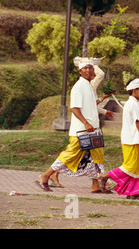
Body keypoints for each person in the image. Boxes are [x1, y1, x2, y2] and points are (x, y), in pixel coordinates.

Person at [37, 58, 111, 193]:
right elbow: (74, 108)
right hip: (82, 130)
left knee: (97, 155)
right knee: (71, 154)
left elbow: (90, 104)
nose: (88, 70)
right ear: (80, 71)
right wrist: (86, 123)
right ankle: (46, 175)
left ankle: (96, 185)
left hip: (92, 129)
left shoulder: (88, 85)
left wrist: (103, 99)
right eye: (85, 68)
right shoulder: (79, 86)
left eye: (90, 68)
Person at [98, 78, 139, 200]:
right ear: (134, 90)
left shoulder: (131, 103)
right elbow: (138, 123)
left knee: (138, 166)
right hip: (131, 139)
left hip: (131, 139)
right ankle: (105, 176)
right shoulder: (133, 104)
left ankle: (134, 192)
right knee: (131, 166)